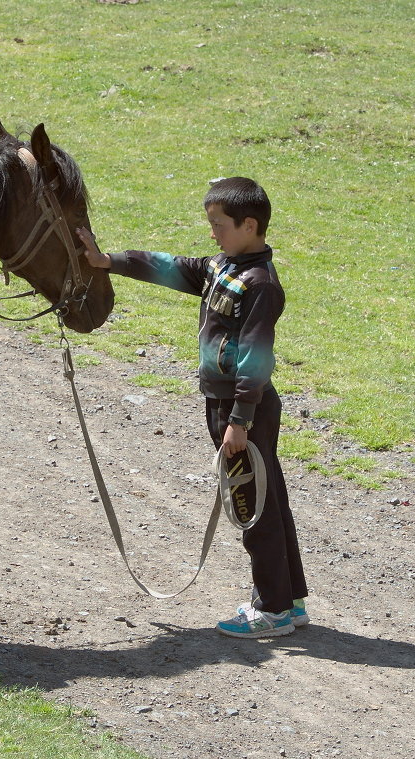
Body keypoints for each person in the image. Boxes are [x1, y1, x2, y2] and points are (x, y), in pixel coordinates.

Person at [75, 177, 308, 638]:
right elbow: (171, 267)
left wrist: (239, 421)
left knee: (251, 506)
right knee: (268, 498)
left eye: (219, 224)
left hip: (242, 409)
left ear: (250, 225)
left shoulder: (260, 285)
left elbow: (256, 359)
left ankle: (274, 612)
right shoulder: (224, 265)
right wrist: (109, 262)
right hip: (231, 407)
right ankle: (289, 600)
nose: (213, 233)